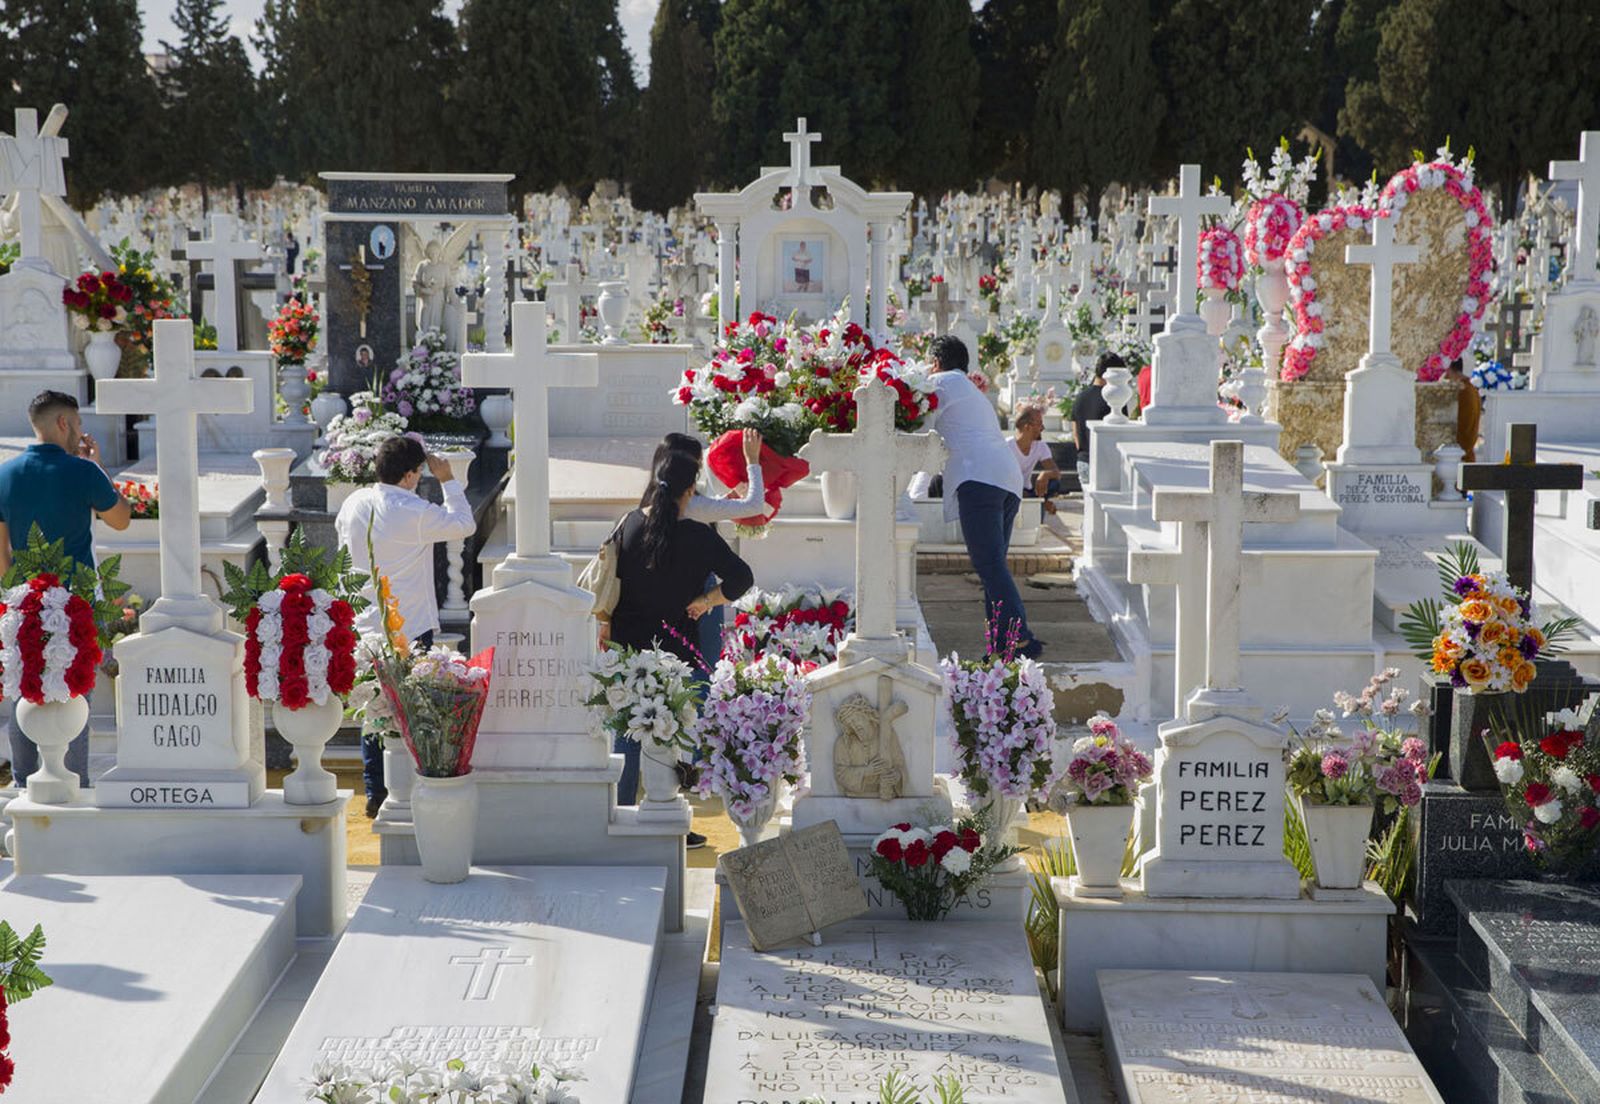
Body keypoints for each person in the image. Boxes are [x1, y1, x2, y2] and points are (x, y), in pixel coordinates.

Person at [607, 450, 753, 824]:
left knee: (627, 736)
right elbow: (741, 579)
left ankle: (620, 817)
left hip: (628, 649)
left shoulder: (630, 524)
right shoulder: (699, 537)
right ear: (690, 490)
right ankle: (664, 821)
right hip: (674, 651)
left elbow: (612, 581)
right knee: (666, 739)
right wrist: (706, 601)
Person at [335, 435, 477, 817]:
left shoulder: (353, 503)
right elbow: (464, 524)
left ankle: (375, 792)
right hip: (408, 624)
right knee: (409, 710)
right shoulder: (412, 511)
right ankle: (408, 788)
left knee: (373, 709)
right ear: (412, 475)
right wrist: (448, 480)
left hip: (364, 620)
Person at [0, 390, 132, 789]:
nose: (80, 432)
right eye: (77, 423)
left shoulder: (5, 474)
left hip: (25, 600)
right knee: (76, 692)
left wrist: (13, 599)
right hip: (77, 603)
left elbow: (0, 550)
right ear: (63, 423)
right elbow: (122, 520)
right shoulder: (83, 471)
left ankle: (24, 785)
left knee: (25, 691)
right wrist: (97, 465)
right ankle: (75, 783)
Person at [925, 335, 1041, 659]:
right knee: (994, 569)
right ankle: (1001, 650)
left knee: (988, 564)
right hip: (1007, 479)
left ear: (936, 362)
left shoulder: (941, 382)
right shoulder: (969, 391)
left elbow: (920, 426)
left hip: (979, 479)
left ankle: (1021, 635)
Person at [1071, 353, 1119, 489]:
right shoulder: (1115, 399)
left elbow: (1075, 434)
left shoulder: (1080, 397)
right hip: (1107, 463)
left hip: (1084, 460)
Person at [1010, 403, 1064, 516]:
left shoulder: (1040, 446)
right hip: (1009, 490)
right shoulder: (1007, 447)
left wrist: (1045, 474)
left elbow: (1057, 473)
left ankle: (1040, 502)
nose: (1042, 428)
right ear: (1027, 427)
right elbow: (1003, 480)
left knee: (1054, 483)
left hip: (1027, 490)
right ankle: (1042, 503)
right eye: (1039, 424)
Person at [1446, 358, 1480, 463]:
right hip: (1467, 450)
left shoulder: (1463, 391)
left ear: (1452, 371)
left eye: (1447, 373)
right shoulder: (1471, 389)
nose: (1447, 377)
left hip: (1462, 452)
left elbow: (1463, 423)